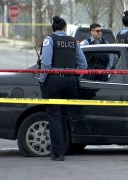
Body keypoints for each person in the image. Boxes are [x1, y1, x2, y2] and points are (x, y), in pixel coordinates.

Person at [39, 16, 87, 161]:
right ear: (65, 28)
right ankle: (64, 149)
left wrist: (42, 80)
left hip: (54, 81)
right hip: (70, 81)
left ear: (53, 28)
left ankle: (57, 153)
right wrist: (75, 79)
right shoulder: (73, 42)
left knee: (54, 116)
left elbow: (46, 64)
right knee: (64, 116)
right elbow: (83, 65)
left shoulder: (50, 40)